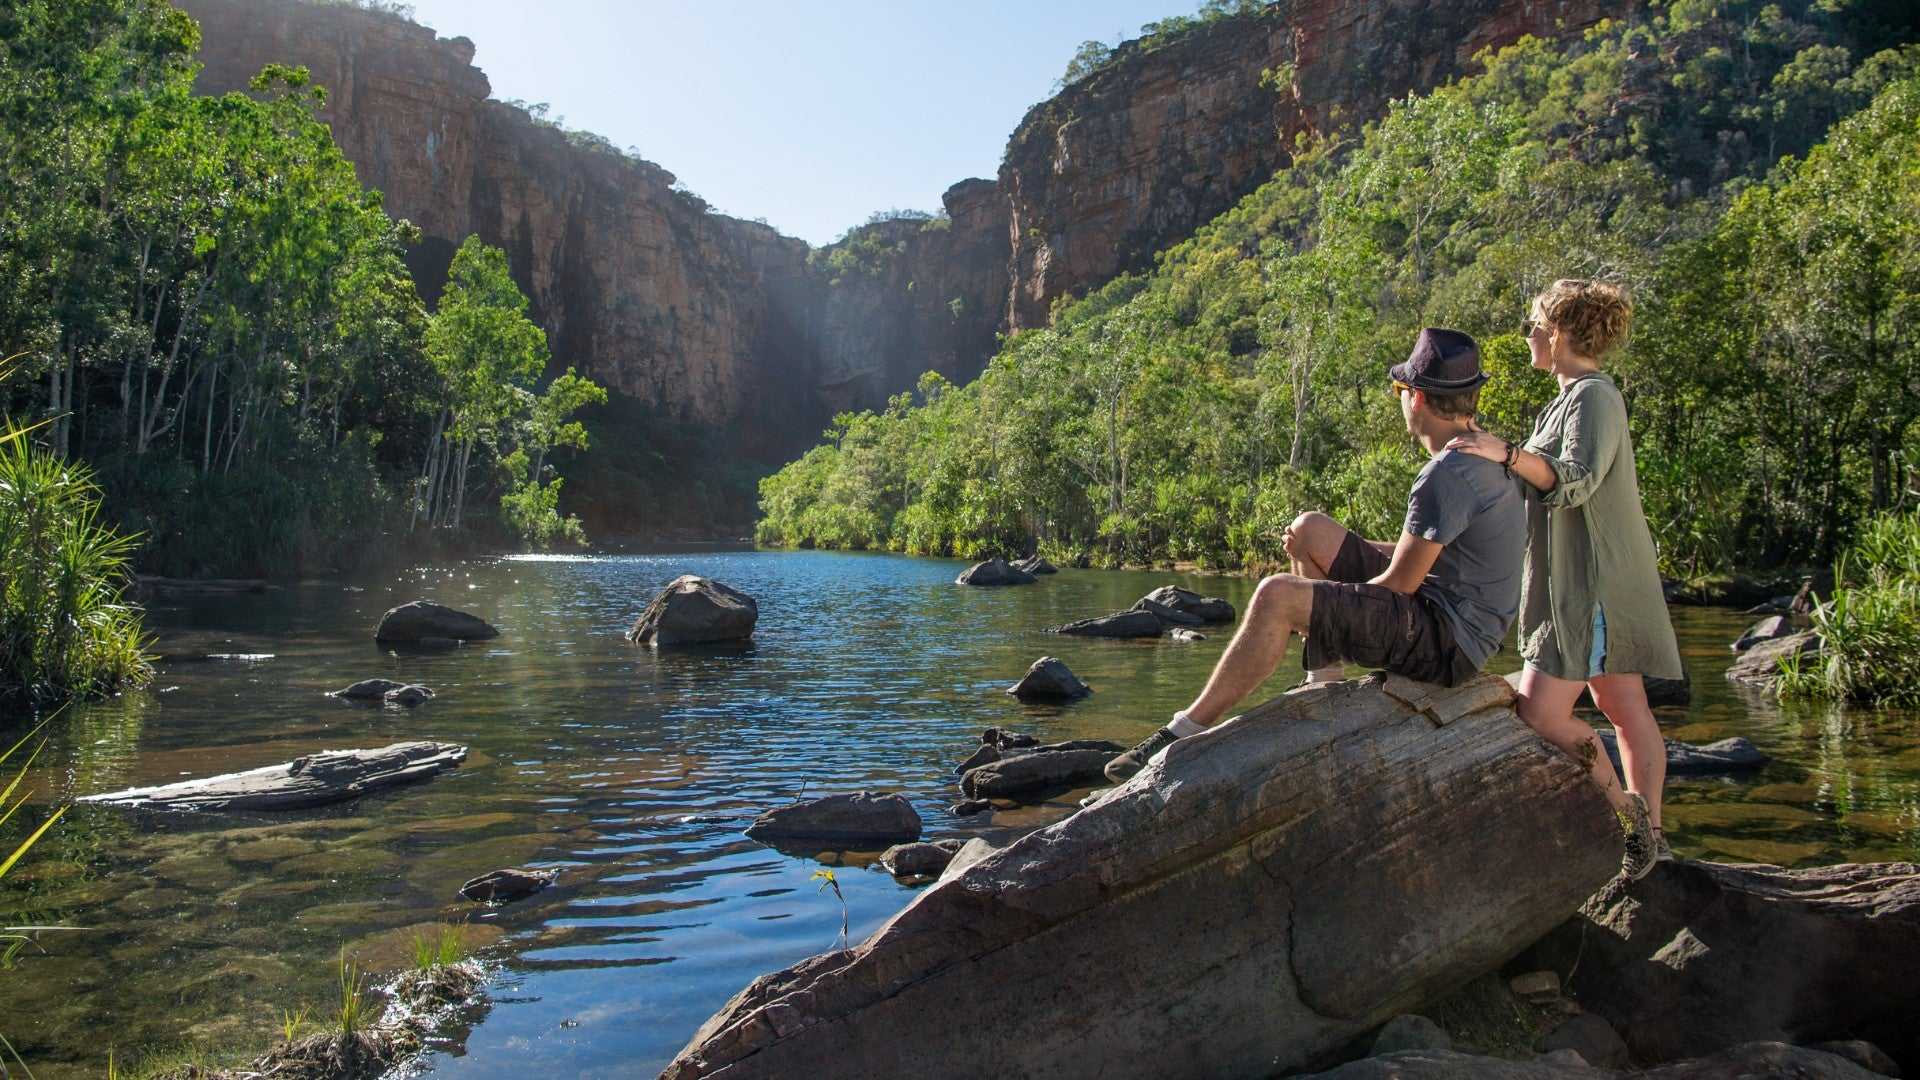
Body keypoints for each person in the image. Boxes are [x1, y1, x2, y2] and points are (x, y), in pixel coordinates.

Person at [1104, 328, 1525, 781]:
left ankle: (1183, 730)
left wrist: (1317, 602)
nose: (1400, 398)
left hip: (1447, 645)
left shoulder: (1446, 474)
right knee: (1309, 531)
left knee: (1277, 595)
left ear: (1417, 398)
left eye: (1400, 389)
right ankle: (1322, 680)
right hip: (1455, 620)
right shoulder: (1490, 454)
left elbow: (1400, 584)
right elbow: (1433, 558)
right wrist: (1329, 586)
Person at [1446, 279, 1681, 880]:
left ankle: (1628, 815)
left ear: (1559, 333)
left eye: (1533, 325)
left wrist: (1502, 453)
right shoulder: (1569, 397)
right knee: (1623, 706)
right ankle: (1653, 836)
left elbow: (1572, 477)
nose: (1527, 335)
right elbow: (1536, 477)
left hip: (1589, 588)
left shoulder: (1594, 397)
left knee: (1542, 715)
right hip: (1585, 582)